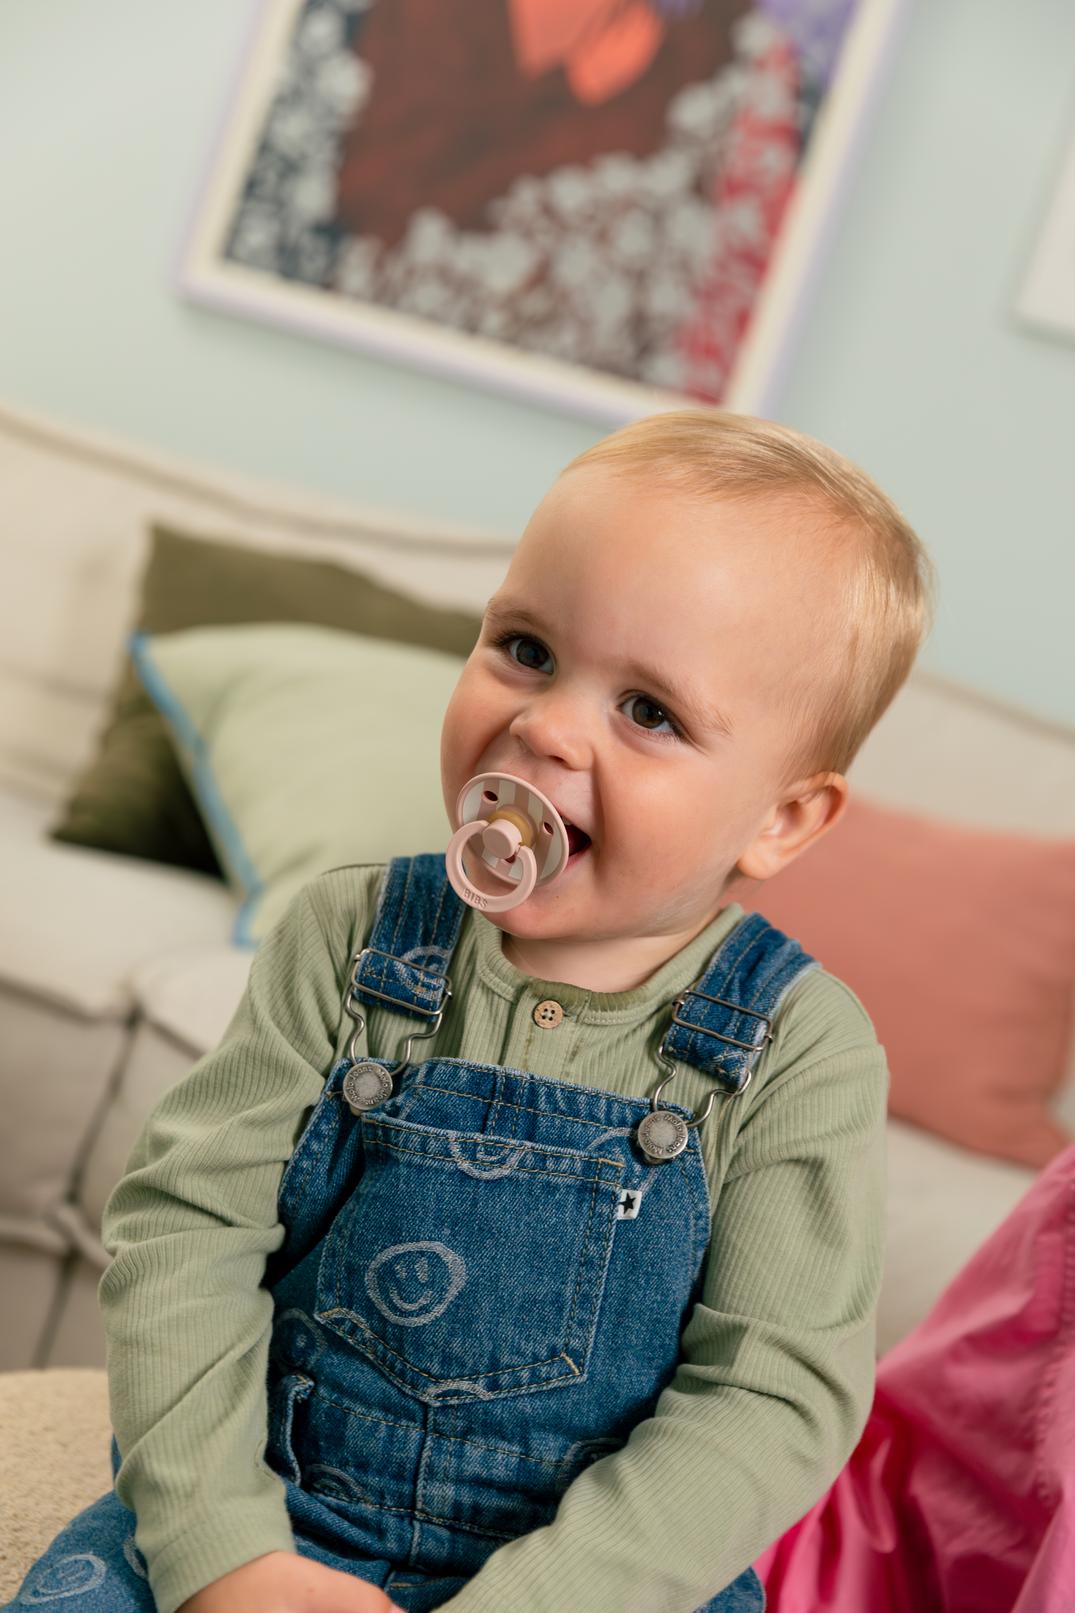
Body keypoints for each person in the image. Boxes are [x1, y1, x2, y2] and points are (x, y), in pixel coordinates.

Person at [4, 409, 936, 1613]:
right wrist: (224, 1552)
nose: (544, 724)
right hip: (276, 1504)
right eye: (526, 648)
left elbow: (769, 1397)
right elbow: (187, 1230)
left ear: (782, 818)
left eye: (649, 711)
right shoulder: (346, 936)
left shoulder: (799, 1050)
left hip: (596, 1579)